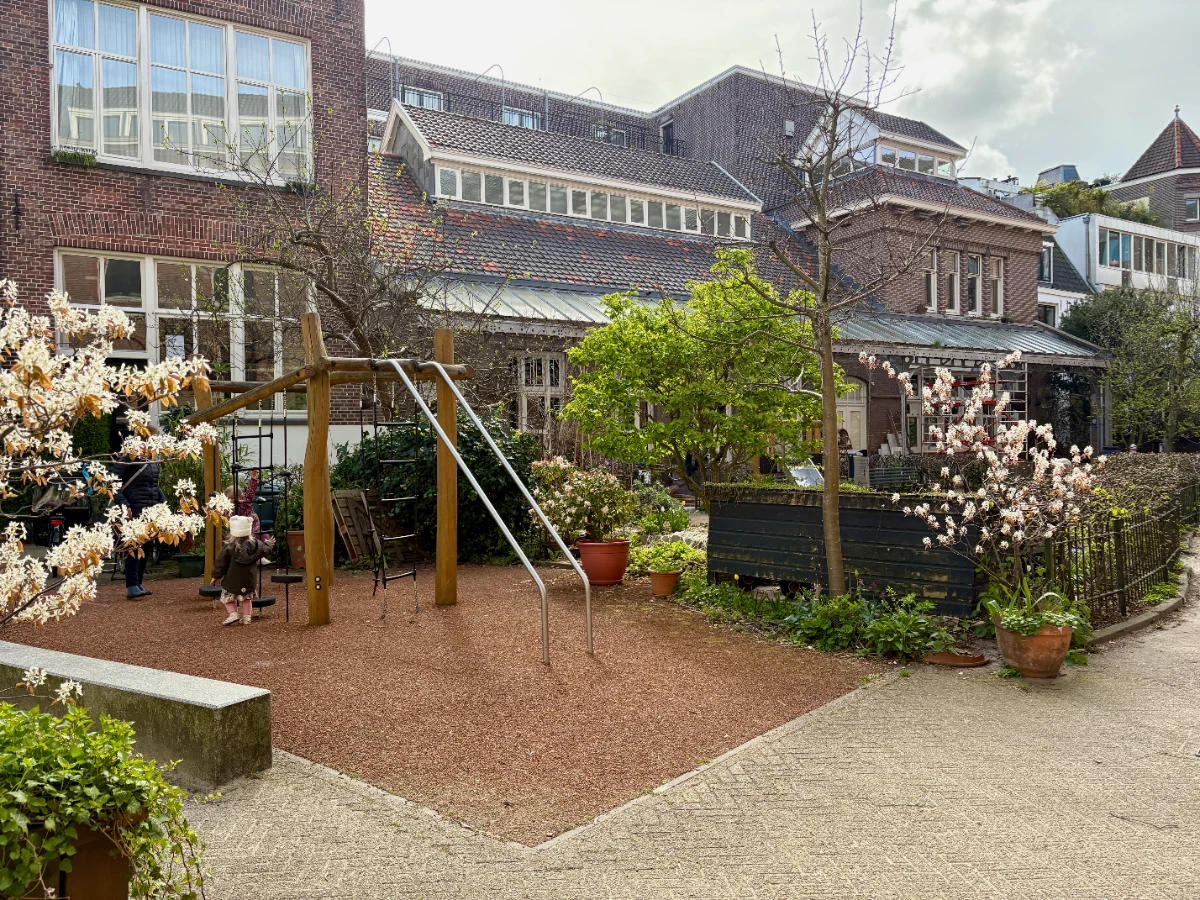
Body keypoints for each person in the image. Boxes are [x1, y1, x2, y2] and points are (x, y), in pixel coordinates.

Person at [112, 426, 166, 600]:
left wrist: (163, 503)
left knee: (146, 546)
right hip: (133, 508)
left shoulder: (152, 459)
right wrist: (123, 504)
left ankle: (138, 583)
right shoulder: (130, 457)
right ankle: (132, 585)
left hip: (150, 509)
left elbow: (154, 485)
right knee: (134, 546)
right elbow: (112, 482)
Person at [210, 515, 275, 626]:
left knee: (227, 597)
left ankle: (233, 614)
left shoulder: (229, 548)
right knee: (246, 598)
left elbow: (221, 564)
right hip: (249, 579)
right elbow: (265, 550)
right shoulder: (256, 545)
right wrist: (268, 543)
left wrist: (216, 576)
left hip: (232, 579)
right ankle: (247, 617)